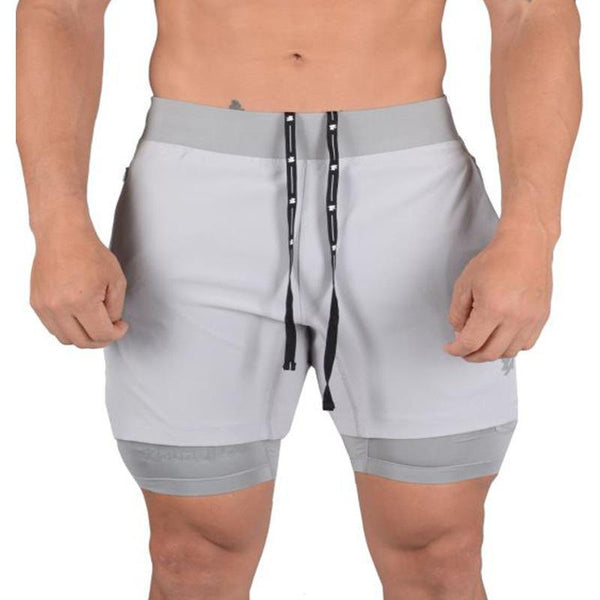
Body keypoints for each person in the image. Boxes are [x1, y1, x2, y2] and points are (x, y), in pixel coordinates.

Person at [16, 1, 581, 598]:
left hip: (413, 200)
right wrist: (57, 224)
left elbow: (532, 13)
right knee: (193, 557)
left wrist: (532, 232)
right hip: (197, 199)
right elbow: (62, 10)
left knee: (439, 553)